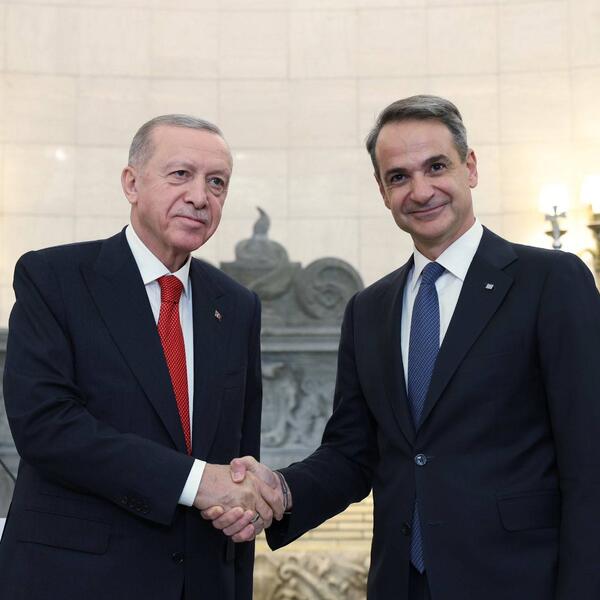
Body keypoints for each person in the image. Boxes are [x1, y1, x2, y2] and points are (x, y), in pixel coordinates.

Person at [204, 96, 600, 599]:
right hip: (400, 584)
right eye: (399, 176)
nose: (421, 190)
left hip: (520, 582)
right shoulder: (369, 309)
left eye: (436, 166)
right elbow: (352, 454)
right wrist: (281, 490)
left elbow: (589, 460)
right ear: (383, 191)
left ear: (470, 167)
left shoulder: (551, 281)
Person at [0, 115, 282, 600]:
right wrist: (197, 482)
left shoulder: (236, 306)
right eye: (181, 174)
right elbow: (46, 426)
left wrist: (245, 510)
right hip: (74, 580)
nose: (200, 196)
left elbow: (237, 454)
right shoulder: (54, 277)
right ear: (131, 183)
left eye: (217, 182)